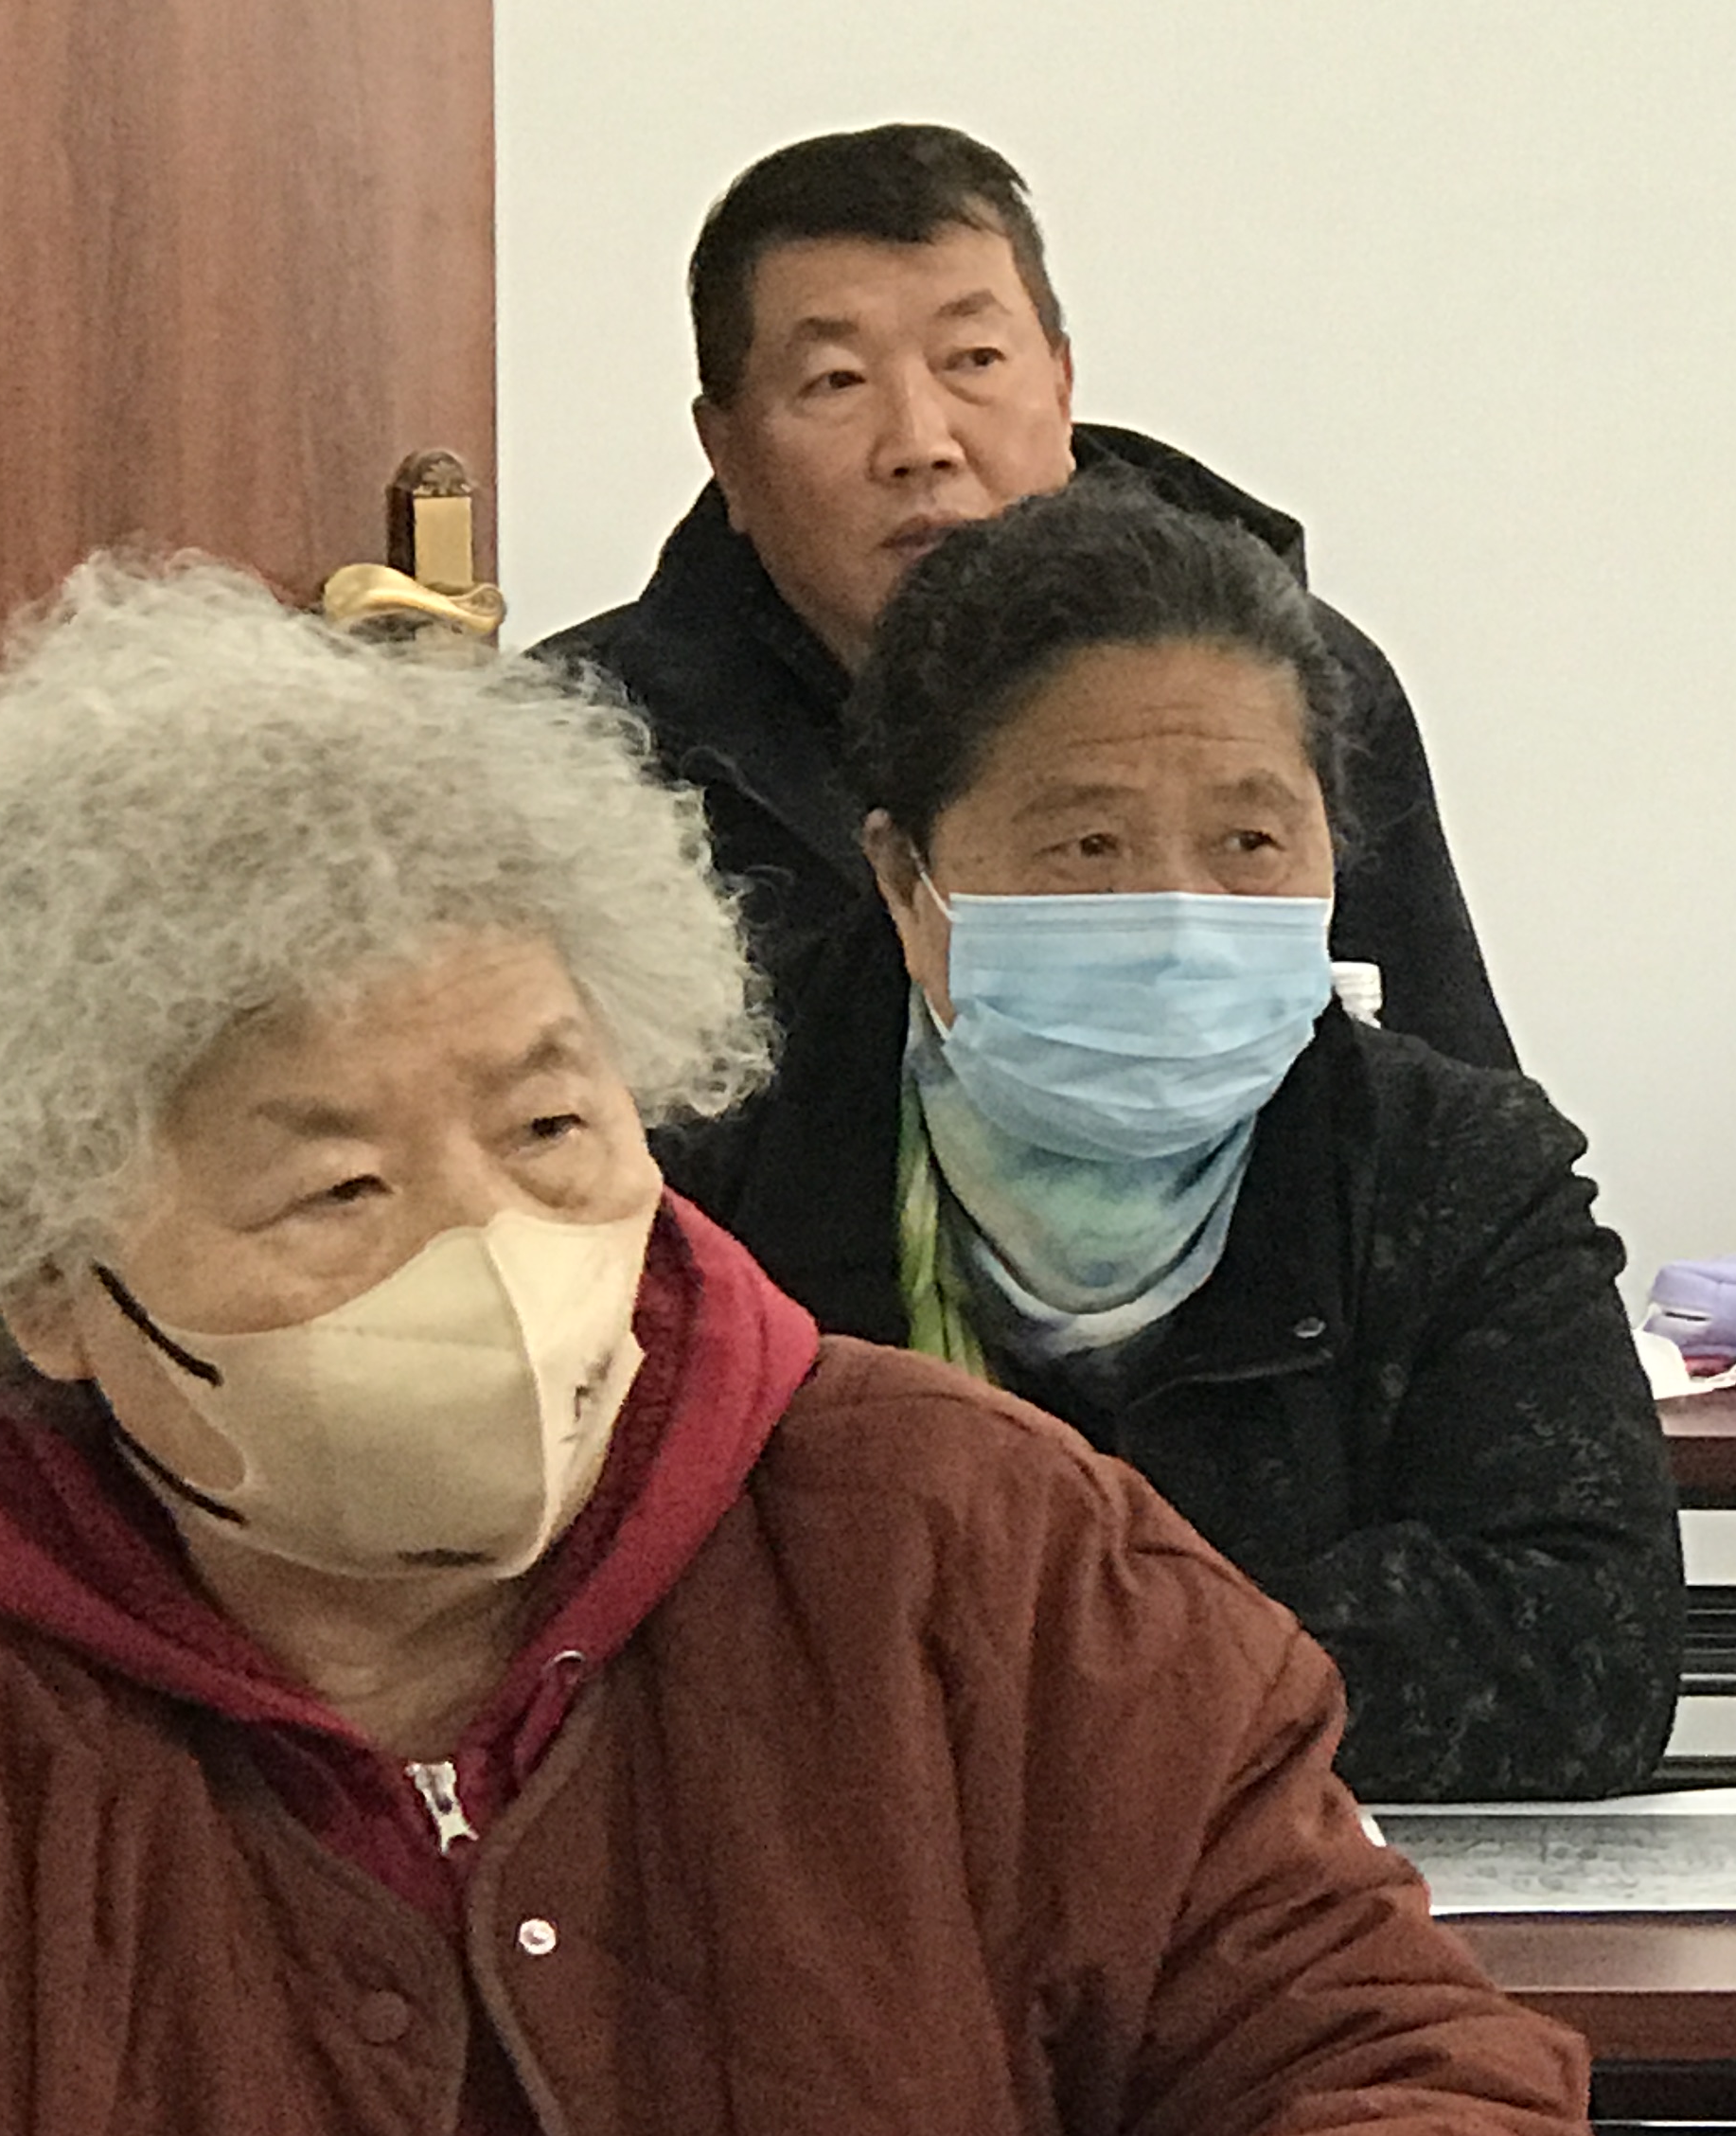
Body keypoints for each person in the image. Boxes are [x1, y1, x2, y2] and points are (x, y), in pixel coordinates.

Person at [0, 560, 1617, 2136]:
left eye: (552, 1127)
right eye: (337, 1191)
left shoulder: (967, 1549)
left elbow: (1388, 2066)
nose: (491, 1255)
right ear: (49, 1281)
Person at [682, 475, 1678, 1805]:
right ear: (907, 879)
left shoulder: (1458, 1167)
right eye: (1087, 844)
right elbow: (659, 1639)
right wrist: (1268, 1649)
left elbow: (1582, 1663)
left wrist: (1003, 1668)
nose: (1176, 917)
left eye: (1250, 841)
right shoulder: (714, 1157)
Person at [541, 121, 1514, 1076]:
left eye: (974, 360)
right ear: (725, 451)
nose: (921, 443)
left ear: (1061, 384)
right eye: (836, 381)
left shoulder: (1294, 683)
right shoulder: (576, 751)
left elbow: (1451, 1098)